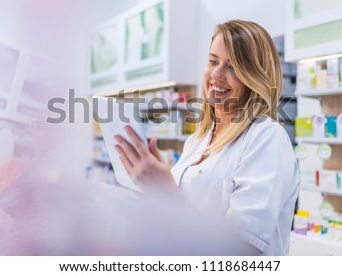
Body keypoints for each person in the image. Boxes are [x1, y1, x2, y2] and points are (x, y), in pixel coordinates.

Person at [114, 20, 300, 255]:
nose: (216, 74)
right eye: (213, 61)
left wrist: (166, 192)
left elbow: (243, 251)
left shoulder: (266, 137)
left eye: (232, 67)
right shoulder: (197, 141)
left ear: (255, 76)